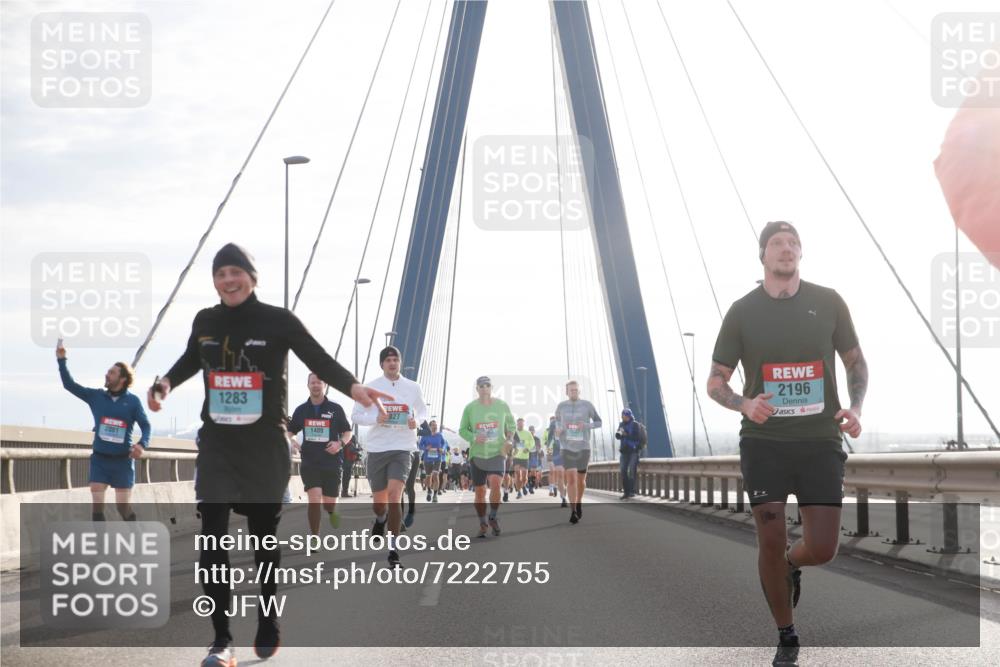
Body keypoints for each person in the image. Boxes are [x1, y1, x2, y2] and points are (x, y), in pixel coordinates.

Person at [147, 243, 391, 666]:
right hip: (219, 445)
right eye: (220, 273)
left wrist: (354, 388)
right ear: (214, 280)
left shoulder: (278, 321)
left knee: (263, 539)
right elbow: (191, 358)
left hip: (265, 447)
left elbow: (318, 358)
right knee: (212, 542)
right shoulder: (206, 320)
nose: (228, 279)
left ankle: (267, 612)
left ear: (252, 277)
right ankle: (222, 640)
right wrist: (165, 383)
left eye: (235, 272)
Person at [706, 221, 867, 667]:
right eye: (777, 243)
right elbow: (715, 380)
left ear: (801, 253)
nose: (786, 249)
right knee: (770, 539)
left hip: (819, 441)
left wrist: (855, 407)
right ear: (762, 255)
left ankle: (793, 565)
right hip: (764, 444)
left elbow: (855, 361)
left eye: (794, 243)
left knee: (822, 548)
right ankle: (787, 632)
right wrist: (743, 403)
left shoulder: (829, 301)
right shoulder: (742, 311)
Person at [352, 346, 428, 568]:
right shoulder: (370, 387)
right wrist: (376, 418)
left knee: (395, 497)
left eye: (396, 359)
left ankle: (393, 550)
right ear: (382, 364)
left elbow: (422, 411)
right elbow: (356, 415)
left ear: (400, 363)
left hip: (403, 447)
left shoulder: (413, 387)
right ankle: (380, 518)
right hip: (377, 449)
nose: (392, 363)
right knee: (380, 504)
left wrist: (418, 421)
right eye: (388, 360)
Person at [57, 342, 150, 521]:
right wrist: (62, 360)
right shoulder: (96, 396)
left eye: (112, 372)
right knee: (97, 504)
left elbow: (146, 426)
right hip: (100, 460)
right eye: (108, 371)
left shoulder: (133, 402)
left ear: (122, 379)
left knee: (122, 507)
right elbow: (69, 385)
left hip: (123, 461)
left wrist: (142, 444)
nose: (107, 374)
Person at [287, 373, 352, 534]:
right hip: (310, 461)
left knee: (328, 504)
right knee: (314, 498)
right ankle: (314, 536)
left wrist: (340, 444)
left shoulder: (335, 409)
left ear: (325, 385)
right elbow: (289, 432)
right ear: (308, 385)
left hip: (331, 462)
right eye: (312, 382)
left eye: (319, 382)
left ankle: (332, 511)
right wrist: (292, 441)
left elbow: (347, 432)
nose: (316, 385)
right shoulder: (301, 410)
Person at [458, 376, 515, 537]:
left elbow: (510, 426)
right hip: (477, 454)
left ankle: (493, 516)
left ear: (492, 387)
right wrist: (475, 437)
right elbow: (462, 430)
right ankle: (483, 522)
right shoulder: (470, 408)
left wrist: (509, 439)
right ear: (477, 389)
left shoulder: (502, 406)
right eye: (481, 386)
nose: (484, 388)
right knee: (480, 492)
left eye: (487, 385)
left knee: (496, 484)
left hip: (498, 452)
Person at [554, 381, 602, 523]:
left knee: (581, 481)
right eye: (571, 390)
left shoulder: (587, 405)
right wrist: (558, 429)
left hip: (584, 448)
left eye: (576, 390)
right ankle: (573, 510)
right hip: (567, 448)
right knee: (572, 478)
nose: (573, 392)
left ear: (579, 391)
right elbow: (557, 422)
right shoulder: (561, 407)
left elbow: (599, 422)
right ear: (566, 392)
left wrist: (586, 425)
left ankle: (579, 502)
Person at [615, 408, 641, 500]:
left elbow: (637, 437)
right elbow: (618, 436)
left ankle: (631, 491)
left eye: (626, 416)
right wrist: (620, 433)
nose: (624, 417)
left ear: (630, 416)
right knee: (623, 471)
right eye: (623, 415)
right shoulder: (621, 424)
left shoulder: (635, 425)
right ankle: (626, 492)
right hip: (624, 452)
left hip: (633, 451)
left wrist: (626, 434)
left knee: (631, 471)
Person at [419, 420, 446, 502]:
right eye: (433, 425)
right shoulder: (425, 436)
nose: (435, 427)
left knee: (435, 475)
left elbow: (444, 444)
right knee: (428, 477)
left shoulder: (439, 435)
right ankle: (429, 491)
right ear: (430, 427)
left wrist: (442, 449)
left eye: (436, 425)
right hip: (427, 459)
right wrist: (425, 448)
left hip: (437, 458)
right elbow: (420, 445)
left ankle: (435, 495)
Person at [545, 415, 566, 506]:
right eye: (557, 428)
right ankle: (563, 497)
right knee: (561, 475)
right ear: (554, 430)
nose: (559, 429)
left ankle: (564, 491)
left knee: (569, 478)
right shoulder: (551, 441)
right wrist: (550, 460)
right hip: (558, 457)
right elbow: (549, 451)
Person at [512, 418, 532, 498]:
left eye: (521, 423)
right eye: (519, 423)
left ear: (524, 424)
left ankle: (523, 486)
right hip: (516, 456)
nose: (520, 425)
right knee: (517, 474)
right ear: (517, 424)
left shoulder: (528, 433)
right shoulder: (514, 433)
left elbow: (532, 442)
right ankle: (519, 492)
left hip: (525, 457)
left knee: (524, 477)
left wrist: (528, 448)